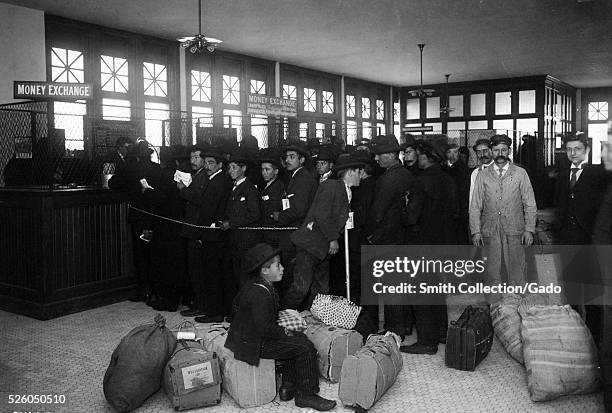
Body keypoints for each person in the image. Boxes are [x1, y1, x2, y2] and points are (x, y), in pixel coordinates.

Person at [225, 243, 337, 412]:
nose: (283, 268)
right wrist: (284, 331)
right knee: (304, 346)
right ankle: (306, 395)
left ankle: (288, 386)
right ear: (265, 270)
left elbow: (236, 308)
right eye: (278, 265)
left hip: (249, 339)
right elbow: (264, 329)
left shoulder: (256, 285)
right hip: (254, 345)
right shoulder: (260, 293)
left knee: (297, 340)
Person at [282, 155, 364, 311]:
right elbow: (321, 214)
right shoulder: (331, 186)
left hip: (322, 249)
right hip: (310, 245)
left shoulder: (347, 192)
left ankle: (314, 322)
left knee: (321, 291)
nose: (361, 176)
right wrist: (333, 239)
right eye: (359, 172)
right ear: (350, 172)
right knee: (301, 288)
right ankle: (279, 318)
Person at [400, 141, 456, 355]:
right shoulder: (448, 180)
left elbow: (411, 217)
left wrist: (404, 210)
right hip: (442, 242)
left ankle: (426, 341)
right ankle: (441, 332)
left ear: (425, 156)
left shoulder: (421, 181)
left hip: (421, 242)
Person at [470, 134, 537, 301]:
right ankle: (494, 309)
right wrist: (475, 231)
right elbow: (475, 206)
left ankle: (518, 307)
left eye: (503, 150)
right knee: (491, 271)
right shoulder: (482, 175)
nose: (500, 153)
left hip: (515, 229)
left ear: (509, 151)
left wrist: (529, 229)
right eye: (496, 150)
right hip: (490, 231)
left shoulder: (520, 173)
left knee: (516, 270)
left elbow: (530, 204)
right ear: (492, 152)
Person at [555, 133, 607, 341]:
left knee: (593, 293)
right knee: (571, 291)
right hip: (568, 240)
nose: (573, 153)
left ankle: (595, 339)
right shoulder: (561, 176)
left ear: (586, 150)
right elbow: (559, 205)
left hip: (590, 240)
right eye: (569, 149)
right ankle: (576, 337)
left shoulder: (599, 174)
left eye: (577, 149)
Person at [366, 134, 415, 339]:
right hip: (403, 237)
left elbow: (377, 212)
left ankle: (394, 330)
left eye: (379, 155)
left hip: (386, 239)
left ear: (393, 154)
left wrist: (370, 235)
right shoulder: (407, 174)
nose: (376, 159)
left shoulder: (388, 179)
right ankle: (404, 325)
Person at [189, 149, 233, 322]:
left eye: (211, 163)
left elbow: (209, 210)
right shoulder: (216, 179)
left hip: (212, 234)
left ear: (220, 165)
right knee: (214, 273)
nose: (207, 166)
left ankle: (215, 312)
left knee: (213, 274)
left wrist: (201, 232)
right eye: (205, 162)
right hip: (213, 233)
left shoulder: (217, 182)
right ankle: (217, 309)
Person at [177, 145, 211, 317]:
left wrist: (183, 189)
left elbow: (199, 200)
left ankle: (201, 304)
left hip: (197, 228)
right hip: (192, 227)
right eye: (191, 158)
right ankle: (198, 301)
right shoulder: (196, 175)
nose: (193, 161)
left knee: (198, 269)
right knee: (194, 268)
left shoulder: (204, 177)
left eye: (197, 157)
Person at [258, 148, 286, 248]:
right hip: (266, 230)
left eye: (267, 169)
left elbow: (273, 208)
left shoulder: (278, 187)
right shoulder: (267, 185)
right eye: (262, 169)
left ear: (276, 171)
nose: (264, 172)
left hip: (272, 230)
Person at [468, 138, 494, 209]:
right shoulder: (475, 173)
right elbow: (472, 196)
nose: (482, 155)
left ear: (491, 151)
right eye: (479, 152)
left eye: (485, 151)